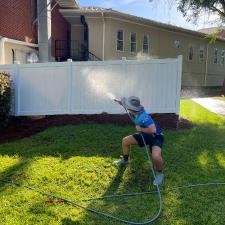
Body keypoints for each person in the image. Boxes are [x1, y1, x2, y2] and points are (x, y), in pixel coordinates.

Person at [114, 96, 164, 186]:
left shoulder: (144, 116)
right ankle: (125, 160)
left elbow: (152, 130)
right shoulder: (133, 110)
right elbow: (125, 104)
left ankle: (160, 174)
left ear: (131, 108)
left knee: (156, 156)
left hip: (156, 136)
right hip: (144, 134)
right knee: (125, 141)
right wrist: (120, 102)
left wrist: (140, 128)